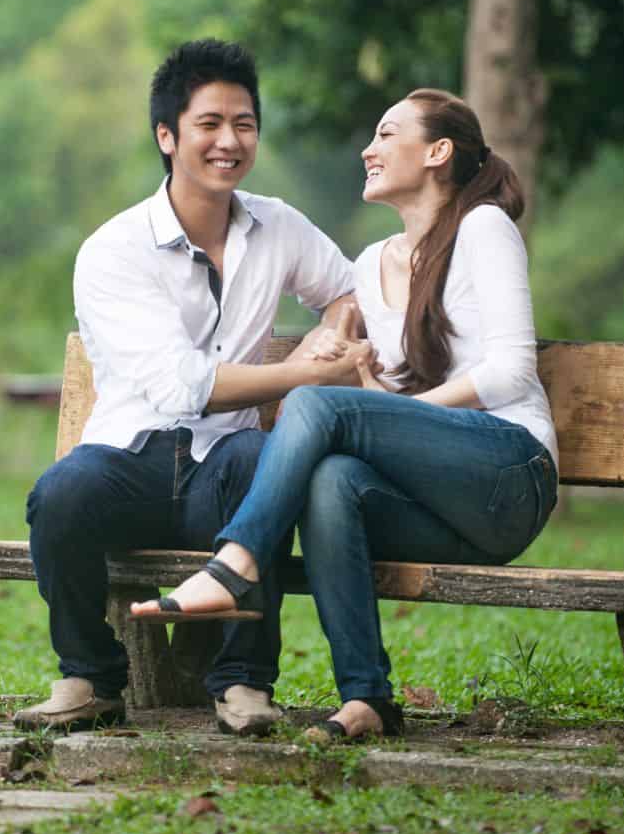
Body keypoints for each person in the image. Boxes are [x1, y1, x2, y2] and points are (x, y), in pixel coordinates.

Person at [131, 88, 560, 743]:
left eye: (388, 134)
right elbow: (384, 410)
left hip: (509, 475)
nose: (370, 148)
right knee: (333, 481)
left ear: (438, 152)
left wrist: (377, 412)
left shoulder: (483, 227)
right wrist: (351, 368)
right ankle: (367, 697)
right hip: (437, 504)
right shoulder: (370, 266)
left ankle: (234, 564)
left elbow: (510, 370)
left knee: (314, 404)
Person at [14, 39, 375, 737]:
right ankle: (88, 678)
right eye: (209, 123)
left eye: (244, 124)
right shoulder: (114, 251)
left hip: (223, 469)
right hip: (131, 464)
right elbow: (185, 388)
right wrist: (308, 370)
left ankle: (243, 684)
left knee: (261, 466)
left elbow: (354, 289)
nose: (229, 141)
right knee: (60, 494)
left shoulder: (278, 226)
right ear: (167, 135)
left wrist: (330, 330)